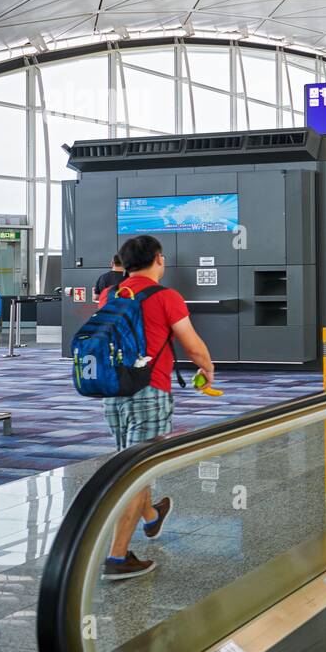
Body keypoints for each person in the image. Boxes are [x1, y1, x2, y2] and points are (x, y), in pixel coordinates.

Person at [98, 235, 216, 579]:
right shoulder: (166, 297)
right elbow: (192, 345)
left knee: (133, 463)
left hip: (113, 391)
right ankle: (117, 558)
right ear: (159, 260)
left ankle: (151, 516)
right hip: (149, 391)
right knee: (136, 473)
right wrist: (206, 369)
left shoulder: (112, 294)